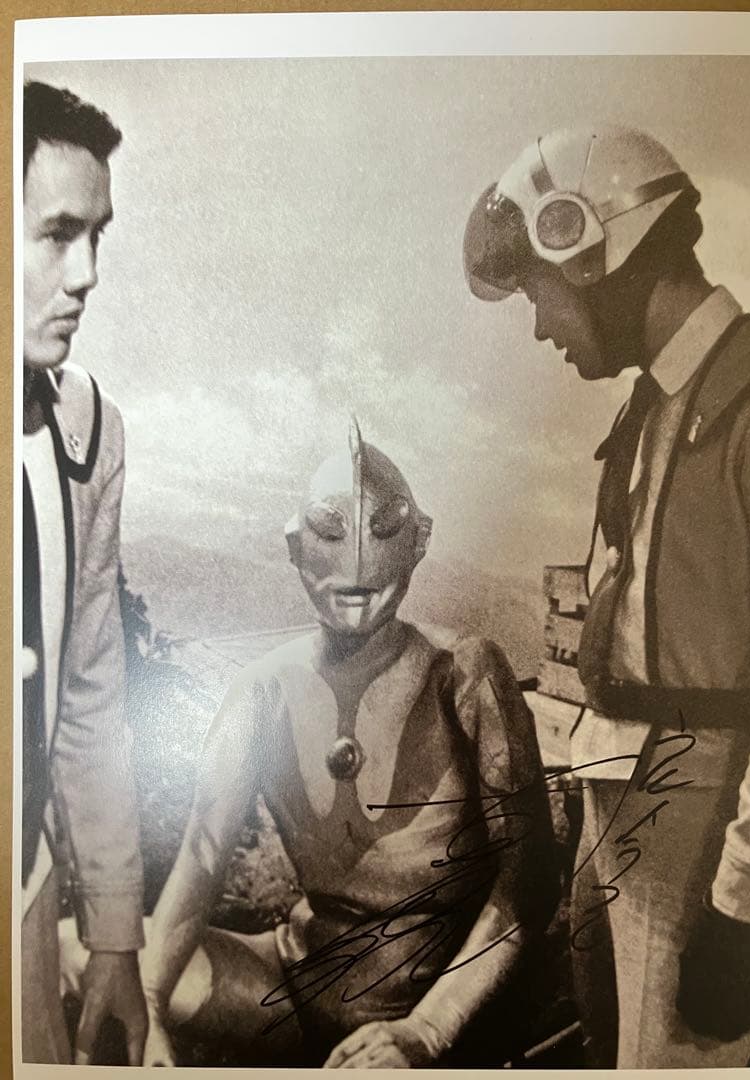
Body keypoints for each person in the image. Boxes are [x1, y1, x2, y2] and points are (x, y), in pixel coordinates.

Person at [59, 421, 559, 1067]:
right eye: (330, 533)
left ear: (419, 541)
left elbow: (528, 885)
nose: (356, 564)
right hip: (295, 984)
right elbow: (202, 860)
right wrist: (149, 1003)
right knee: (75, 950)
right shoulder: (261, 689)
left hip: (441, 1006)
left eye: (383, 530)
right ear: (294, 547)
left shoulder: (464, 674)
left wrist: (426, 1031)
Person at [463, 125, 750, 1068]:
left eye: (538, 293)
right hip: (626, 803)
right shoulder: (657, 405)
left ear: (591, 251)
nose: (541, 327)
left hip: (704, 823)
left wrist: (747, 904)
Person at [21, 81, 146, 1065]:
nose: (88, 273)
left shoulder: (88, 428)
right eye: (59, 234)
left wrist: (112, 933)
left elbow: (91, 698)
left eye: (97, 236)